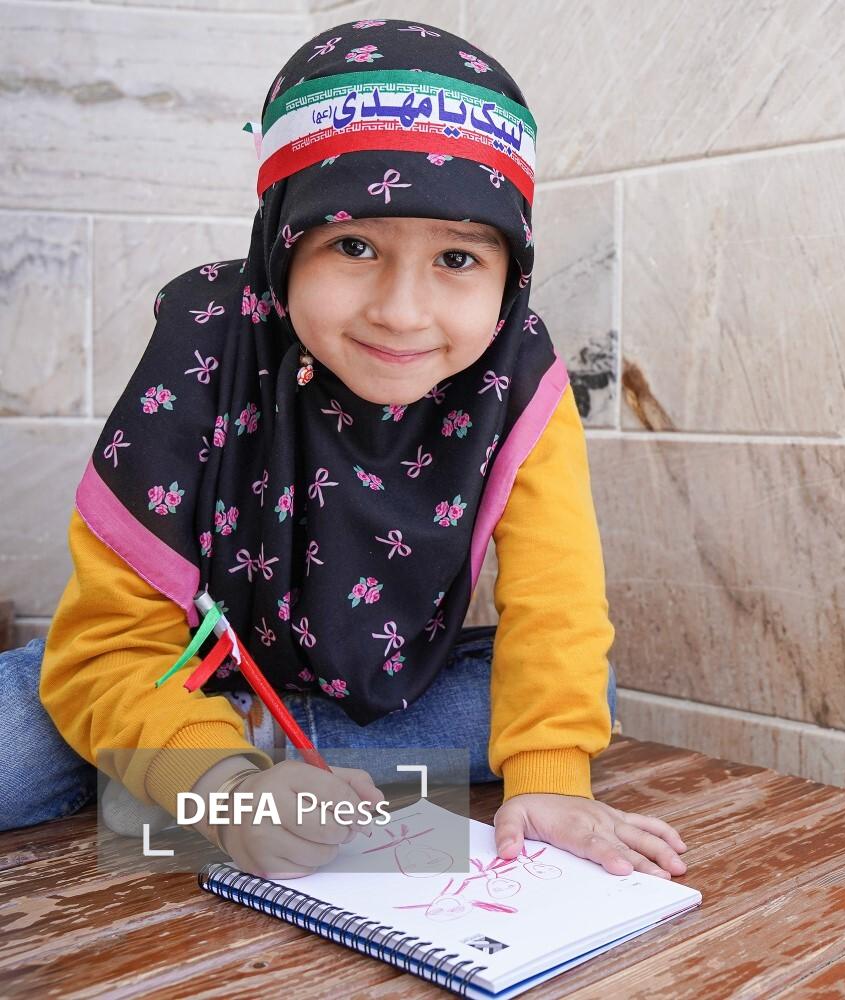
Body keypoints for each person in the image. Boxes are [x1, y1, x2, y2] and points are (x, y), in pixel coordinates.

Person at [0, 18, 687, 882]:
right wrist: (230, 793)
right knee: (15, 744)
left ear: (510, 270)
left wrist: (550, 778)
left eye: (458, 258)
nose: (401, 312)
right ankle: (217, 754)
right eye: (353, 245)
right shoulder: (206, 340)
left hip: (379, 688)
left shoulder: (520, 376)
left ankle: (208, 757)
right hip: (185, 671)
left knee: (572, 704)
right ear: (283, 237)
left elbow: (557, 602)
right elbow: (113, 642)